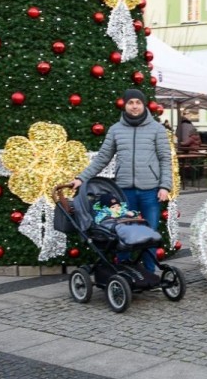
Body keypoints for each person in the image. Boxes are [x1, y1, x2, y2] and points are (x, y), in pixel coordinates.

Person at [74, 89, 173, 272]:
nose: (134, 106)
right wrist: (82, 178)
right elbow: (103, 157)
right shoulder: (115, 130)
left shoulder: (157, 129)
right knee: (122, 231)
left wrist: (165, 186)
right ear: (125, 105)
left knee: (149, 232)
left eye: (138, 102)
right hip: (124, 191)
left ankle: (149, 272)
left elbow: (165, 159)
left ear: (143, 105)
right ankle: (123, 272)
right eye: (130, 103)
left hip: (150, 191)